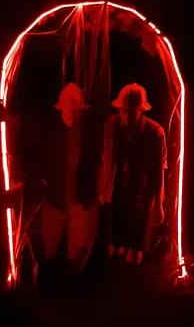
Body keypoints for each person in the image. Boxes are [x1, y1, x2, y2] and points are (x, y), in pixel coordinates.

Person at [26, 82, 103, 279]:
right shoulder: (52, 134)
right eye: (70, 110)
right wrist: (42, 183)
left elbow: (94, 164)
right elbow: (39, 158)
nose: (73, 114)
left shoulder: (88, 134)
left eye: (76, 111)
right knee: (50, 248)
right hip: (55, 197)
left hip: (79, 199)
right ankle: (48, 281)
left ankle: (72, 283)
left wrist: (93, 194)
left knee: (76, 250)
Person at [100, 83, 167, 265]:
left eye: (131, 112)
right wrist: (103, 187)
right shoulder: (112, 126)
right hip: (116, 192)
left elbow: (158, 169)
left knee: (136, 249)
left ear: (141, 111)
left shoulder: (154, 132)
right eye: (123, 111)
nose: (126, 116)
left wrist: (158, 203)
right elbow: (106, 157)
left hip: (141, 195)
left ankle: (134, 275)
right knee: (115, 245)